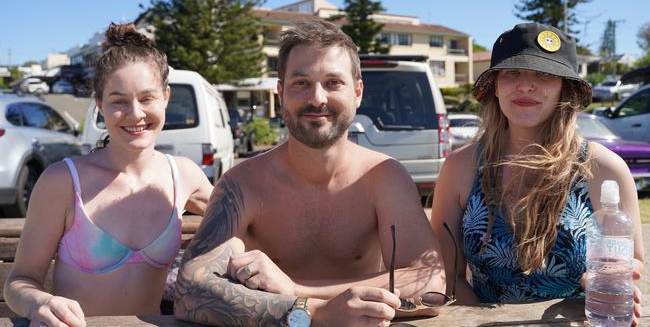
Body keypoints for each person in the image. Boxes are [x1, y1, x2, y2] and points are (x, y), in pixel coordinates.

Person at [174, 19, 445, 326]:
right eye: (301, 83)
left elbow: (431, 283)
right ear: (280, 93)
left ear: (357, 92)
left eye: (333, 82)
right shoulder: (243, 185)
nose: (317, 98)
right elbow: (190, 292)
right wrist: (311, 314)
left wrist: (297, 292)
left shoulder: (385, 177)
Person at [3, 22, 212, 326]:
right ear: (100, 105)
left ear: (166, 97)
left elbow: (249, 223)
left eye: (147, 98)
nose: (135, 113)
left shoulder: (184, 176)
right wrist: (40, 303)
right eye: (119, 101)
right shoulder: (62, 182)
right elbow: (18, 282)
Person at [430, 23, 644, 318]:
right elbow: (447, 275)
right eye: (511, 73)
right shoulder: (459, 167)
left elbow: (632, 260)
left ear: (564, 89)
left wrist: (608, 279)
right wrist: (489, 319)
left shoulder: (604, 168)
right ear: (495, 87)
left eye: (544, 75)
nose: (525, 85)